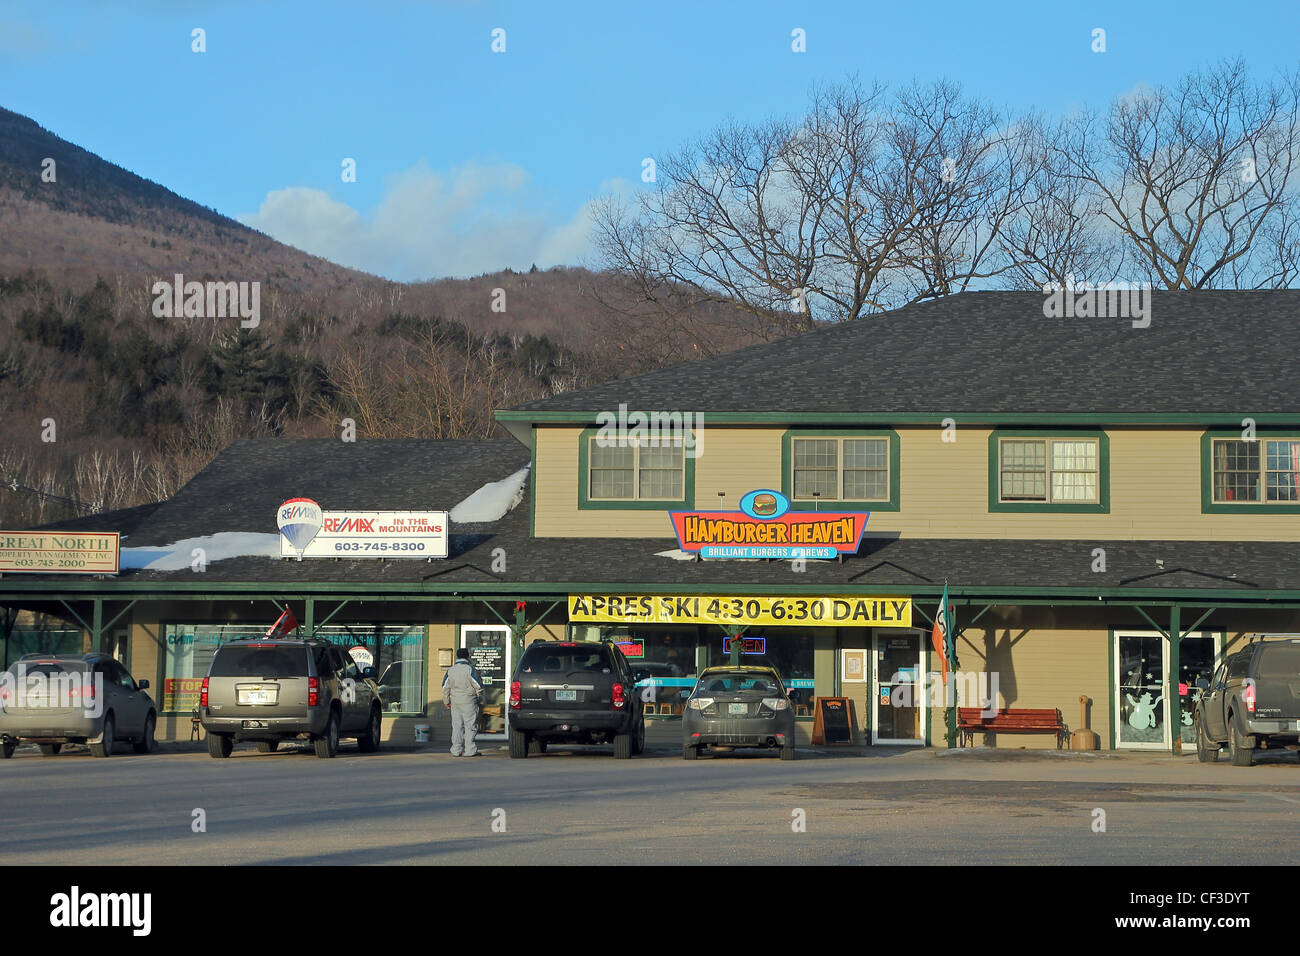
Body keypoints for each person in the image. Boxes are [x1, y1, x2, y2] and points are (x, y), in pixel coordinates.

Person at [441, 649, 483, 757]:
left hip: (455, 701)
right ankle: (470, 750)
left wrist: (446, 701)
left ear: (457, 656)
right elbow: (478, 686)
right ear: (468, 656)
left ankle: (456, 750)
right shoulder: (470, 669)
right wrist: (479, 697)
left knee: (457, 726)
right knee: (470, 726)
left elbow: (445, 687)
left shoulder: (451, 670)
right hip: (469, 701)